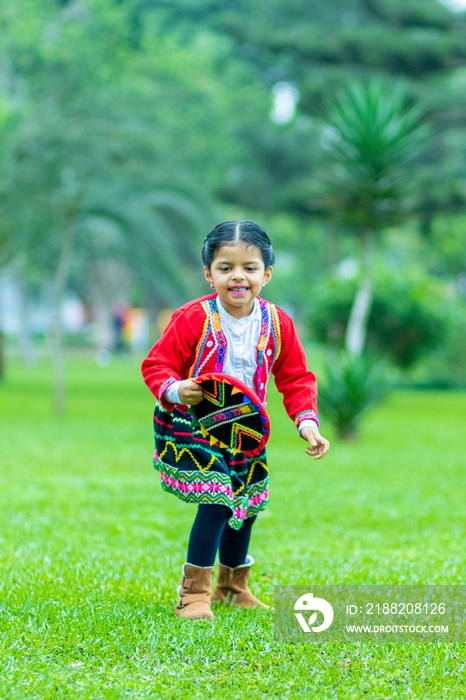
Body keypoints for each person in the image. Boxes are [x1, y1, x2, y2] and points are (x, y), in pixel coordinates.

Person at [141, 220, 329, 621]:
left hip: (245, 431)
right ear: (209, 274)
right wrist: (177, 389)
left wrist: (306, 423)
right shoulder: (193, 317)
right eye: (225, 268)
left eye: (250, 267)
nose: (238, 277)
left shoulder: (278, 323)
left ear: (268, 274)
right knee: (215, 499)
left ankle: (233, 587)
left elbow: (296, 377)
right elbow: (158, 364)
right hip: (193, 425)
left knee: (247, 504)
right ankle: (194, 594)